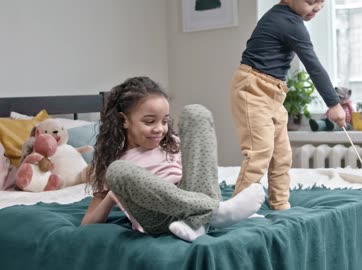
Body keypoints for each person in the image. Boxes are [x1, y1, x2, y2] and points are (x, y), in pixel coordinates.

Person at [81, 76, 265, 242]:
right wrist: (113, 195)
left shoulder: (172, 144)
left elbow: (201, 174)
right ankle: (216, 211)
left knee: (196, 113)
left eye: (164, 121)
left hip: (190, 196)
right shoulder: (113, 162)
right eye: (149, 121)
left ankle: (198, 222)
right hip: (159, 217)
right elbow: (86, 225)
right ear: (124, 120)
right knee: (117, 170)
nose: (160, 129)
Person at [230, 0, 346, 210]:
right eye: (310, 1)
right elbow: (313, 66)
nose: (317, 7)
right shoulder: (288, 23)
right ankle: (239, 208)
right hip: (253, 89)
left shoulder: (290, 19)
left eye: (322, 1)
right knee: (259, 151)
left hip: (274, 92)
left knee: (282, 154)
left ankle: (280, 203)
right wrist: (333, 103)